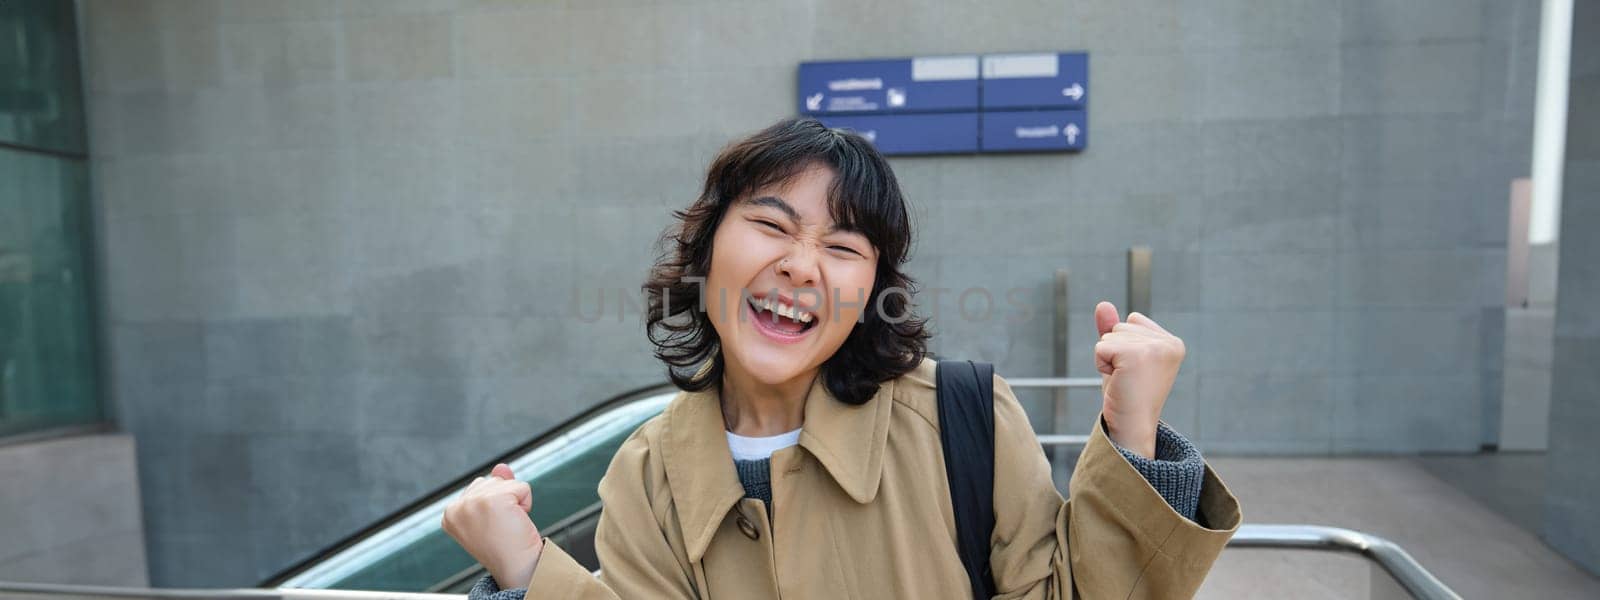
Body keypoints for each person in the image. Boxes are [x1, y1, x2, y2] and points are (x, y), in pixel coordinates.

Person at [442, 118, 1240, 599]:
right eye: (772, 225)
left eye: (843, 245)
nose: (800, 265)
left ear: (871, 290)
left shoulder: (965, 419)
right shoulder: (646, 474)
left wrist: (1130, 434)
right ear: (707, 245)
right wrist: (526, 569)